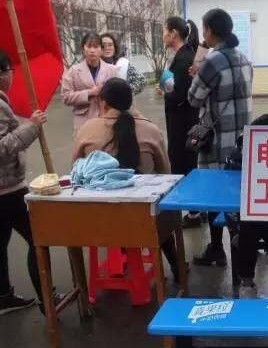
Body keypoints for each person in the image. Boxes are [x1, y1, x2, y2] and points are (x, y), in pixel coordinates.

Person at [72, 78, 183, 280]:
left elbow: (75, 171)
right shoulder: (151, 130)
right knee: (159, 209)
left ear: (103, 103)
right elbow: (165, 174)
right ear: (131, 102)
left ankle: (108, 270)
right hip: (144, 221)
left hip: (99, 221)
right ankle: (177, 266)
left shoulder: (86, 130)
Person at [188, 8, 253, 267]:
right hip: (243, 142)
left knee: (214, 194)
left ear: (209, 30)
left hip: (218, 142)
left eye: (204, 29)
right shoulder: (244, 58)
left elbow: (194, 98)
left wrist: (196, 74)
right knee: (239, 194)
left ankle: (217, 249)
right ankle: (246, 242)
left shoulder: (212, 61)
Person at [0, 49, 61, 315]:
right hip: (8, 189)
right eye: (9, 70)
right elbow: (3, 147)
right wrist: (32, 125)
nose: (12, 75)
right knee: (39, 239)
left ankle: (4, 297)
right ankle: (47, 299)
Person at [224, 113, 268, 299]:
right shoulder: (237, 157)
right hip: (246, 217)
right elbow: (227, 197)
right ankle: (247, 283)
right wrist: (233, 228)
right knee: (247, 235)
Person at [158, 17, 203, 229]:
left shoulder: (185, 58)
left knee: (184, 164)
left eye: (164, 31)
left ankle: (194, 213)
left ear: (173, 33)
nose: (163, 36)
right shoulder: (184, 54)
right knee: (188, 162)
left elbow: (180, 95)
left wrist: (164, 93)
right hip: (184, 119)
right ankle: (197, 210)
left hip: (182, 122)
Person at [61, 32, 118, 133]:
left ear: (101, 50)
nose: (92, 50)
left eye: (96, 47)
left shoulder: (112, 70)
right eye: (89, 46)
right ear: (83, 49)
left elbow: (118, 97)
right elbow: (66, 97)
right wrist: (90, 93)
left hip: (107, 121)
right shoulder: (73, 71)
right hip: (83, 123)